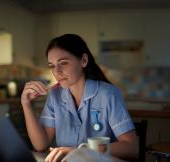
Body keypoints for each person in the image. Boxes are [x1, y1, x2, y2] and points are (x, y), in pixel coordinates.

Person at [21, 34, 138, 162]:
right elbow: (40, 145)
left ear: (84, 61)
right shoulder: (55, 96)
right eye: (52, 65)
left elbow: (131, 148)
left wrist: (82, 151)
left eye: (63, 63)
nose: (57, 71)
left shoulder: (108, 94)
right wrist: (26, 104)